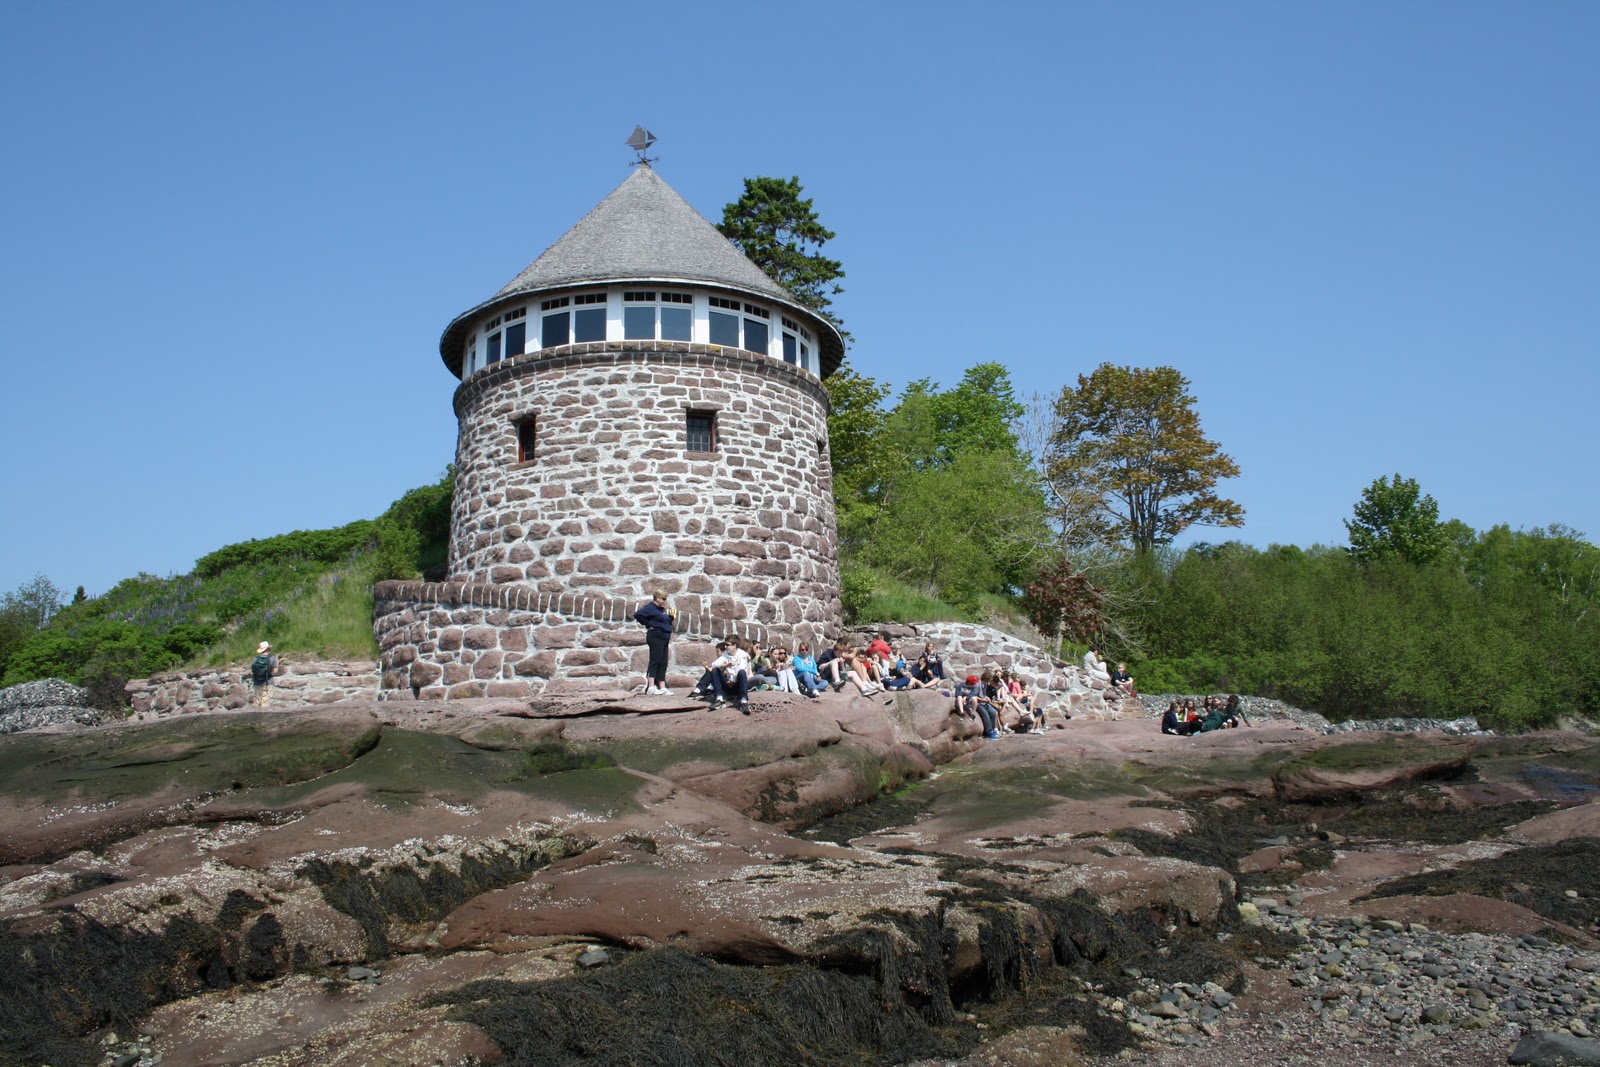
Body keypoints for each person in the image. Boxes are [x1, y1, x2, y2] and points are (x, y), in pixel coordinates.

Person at [633, 590, 675, 695]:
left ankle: (662, 687)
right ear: (658, 598)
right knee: (655, 660)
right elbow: (638, 614)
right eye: (663, 599)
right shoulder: (650, 608)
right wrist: (647, 623)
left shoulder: (661, 610)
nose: (665, 601)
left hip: (665, 637)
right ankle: (651, 687)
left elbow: (663, 622)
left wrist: (670, 618)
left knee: (663, 662)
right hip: (656, 636)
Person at [249, 641, 280, 707]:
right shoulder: (273, 658)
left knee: (258, 702)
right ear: (268, 649)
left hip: (257, 683)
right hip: (267, 682)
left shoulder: (255, 659)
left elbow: (252, 671)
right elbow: (275, 671)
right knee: (266, 703)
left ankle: (257, 716)